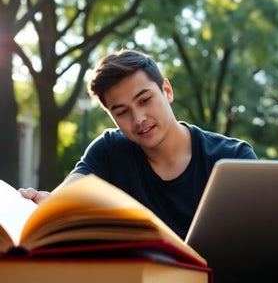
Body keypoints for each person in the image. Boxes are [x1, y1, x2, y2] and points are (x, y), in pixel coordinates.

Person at [20, 49, 257, 239]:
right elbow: (62, 198)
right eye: (122, 112)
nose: (139, 119)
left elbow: (260, 237)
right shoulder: (110, 150)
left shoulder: (232, 157)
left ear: (167, 91)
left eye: (145, 100)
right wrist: (39, 201)